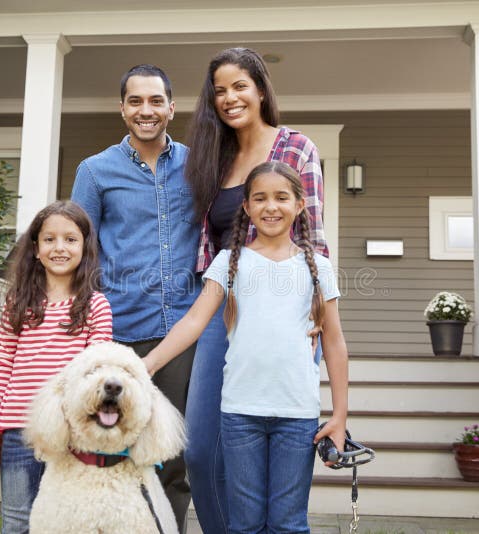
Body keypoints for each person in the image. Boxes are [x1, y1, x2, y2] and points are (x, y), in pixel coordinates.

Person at [145, 161, 349, 533]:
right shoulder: (229, 262)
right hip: (240, 414)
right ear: (247, 207)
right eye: (261, 198)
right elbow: (193, 321)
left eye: (281, 197)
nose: (271, 206)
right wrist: (148, 363)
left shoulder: (318, 267)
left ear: (300, 204)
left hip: (297, 414)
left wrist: (339, 416)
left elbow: (334, 343)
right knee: (245, 524)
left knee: (288, 524)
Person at [184, 46, 329, 532]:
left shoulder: (296, 147)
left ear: (261, 90)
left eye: (240, 86)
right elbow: (207, 243)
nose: (229, 98)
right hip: (222, 310)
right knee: (202, 452)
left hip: (284, 316)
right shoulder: (214, 157)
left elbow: (316, 236)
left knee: (274, 467)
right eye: (219, 91)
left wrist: (317, 313)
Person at [71, 64, 199, 531]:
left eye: (155, 101)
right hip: (119, 331)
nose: (146, 111)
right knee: (115, 448)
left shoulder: (199, 163)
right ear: (122, 108)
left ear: (171, 106)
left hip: (184, 334)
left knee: (175, 455)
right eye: (135, 101)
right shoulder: (95, 171)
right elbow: (78, 251)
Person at [0, 200, 113, 534]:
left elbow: (95, 375)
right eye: (49, 239)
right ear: (35, 249)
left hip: (72, 436)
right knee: (18, 523)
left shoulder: (95, 306)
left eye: (70, 239)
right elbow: (2, 365)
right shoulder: (16, 303)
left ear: (85, 247)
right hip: (19, 432)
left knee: (67, 524)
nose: (59, 247)